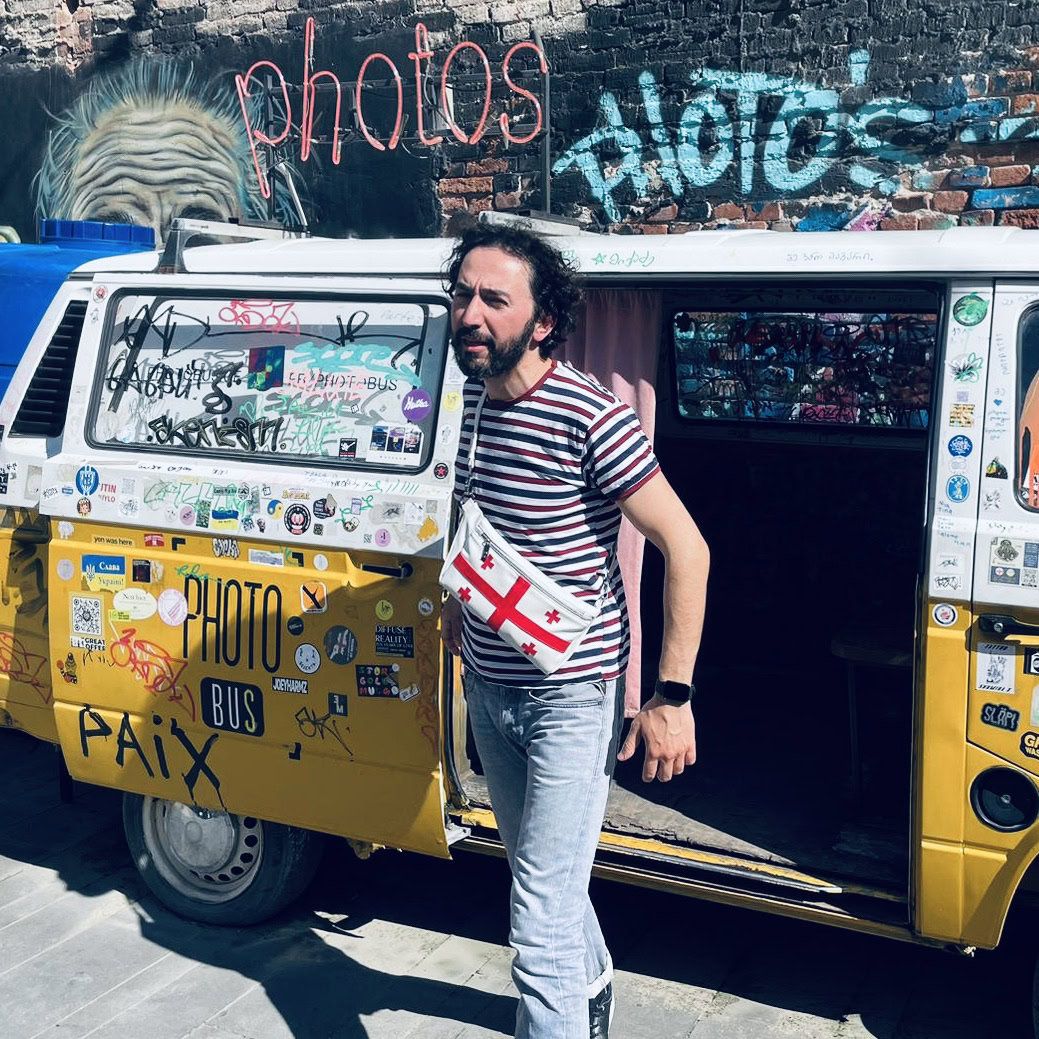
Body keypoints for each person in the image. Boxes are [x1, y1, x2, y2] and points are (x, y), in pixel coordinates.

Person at [441, 223, 709, 1039]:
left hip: (570, 696)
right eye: (461, 294)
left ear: (543, 319)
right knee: (540, 881)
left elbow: (685, 546)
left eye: (493, 298)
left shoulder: (590, 414)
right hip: (491, 686)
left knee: (535, 922)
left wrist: (670, 697)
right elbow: (476, 518)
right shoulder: (475, 406)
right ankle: (590, 993)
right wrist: (459, 606)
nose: (470, 314)